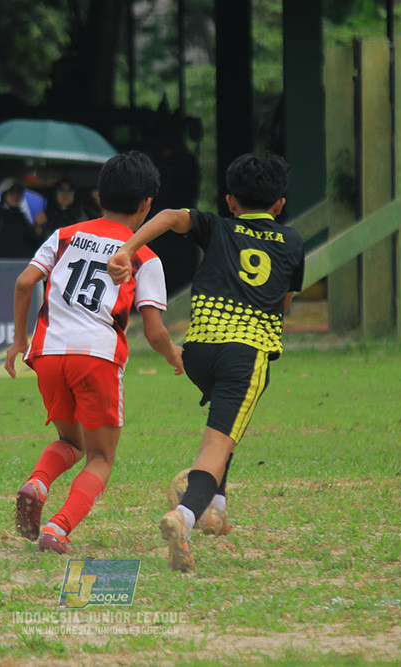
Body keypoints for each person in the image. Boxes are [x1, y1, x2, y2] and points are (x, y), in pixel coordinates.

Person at [107, 152, 305, 572]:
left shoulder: (216, 225)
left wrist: (127, 250)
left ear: (230, 201)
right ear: (280, 205)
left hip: (198, 350)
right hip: (246, 353)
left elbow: (166, 217)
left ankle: (215, 504)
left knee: (225, 425)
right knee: (218, 444)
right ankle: (186, 514)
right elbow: (284, 302)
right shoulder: (293, 242)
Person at [4, 151, 184, 554]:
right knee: (101, 457)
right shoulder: (146, 256)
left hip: (48, 354)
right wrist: (174, 354)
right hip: (97, 356)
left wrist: (20, 341)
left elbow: (23, 283)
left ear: (100, 194)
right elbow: (154, 333)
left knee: (72, 441)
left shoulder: (66, 234)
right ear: (146, 205)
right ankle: (57, 528)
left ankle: (37, 482)